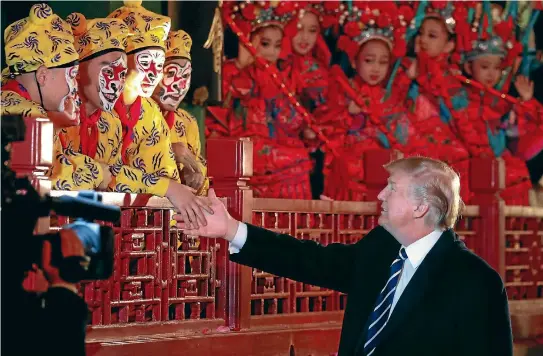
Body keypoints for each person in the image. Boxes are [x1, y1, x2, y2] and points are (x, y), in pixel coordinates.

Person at [175, 156, 513, 356]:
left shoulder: (475, 282)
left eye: (392, 188)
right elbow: (311, 261)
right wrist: (231, 229)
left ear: (420, 206)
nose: (380, 195)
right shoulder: (381, 247)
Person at [152, 29, 209, 196]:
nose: (180, 85)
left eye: (186, 76)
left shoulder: (187, 122)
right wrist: (169, 152)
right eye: (170, 73)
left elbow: (202, 172)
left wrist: (195, 178)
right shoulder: (135, 115)